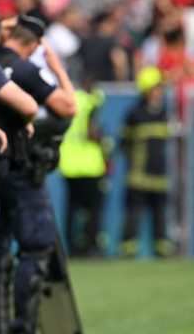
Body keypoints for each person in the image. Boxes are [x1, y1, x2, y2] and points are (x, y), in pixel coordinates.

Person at [0, 11, 76, 334]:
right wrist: (56, 64)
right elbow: (67, 107)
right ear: (36, 44)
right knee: (34, 251)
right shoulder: (24, 68)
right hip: (22, 171)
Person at [120, 66, 172, 258]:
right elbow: (124, 144)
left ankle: (162, 252)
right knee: (134, 214)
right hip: (138, 175)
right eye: (156, 87)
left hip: (160, 175)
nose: (159, 91)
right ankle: (127, 251)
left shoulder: (165, 113)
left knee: (160, 216)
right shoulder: (135, 115)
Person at [59, 77, 109, 257]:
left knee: (72, 209)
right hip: (90, 164)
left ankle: (72, 248)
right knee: (94, 209)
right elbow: (92, 131)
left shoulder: (72, 99)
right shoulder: (91, 101)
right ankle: (92, 246)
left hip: (69, 163)